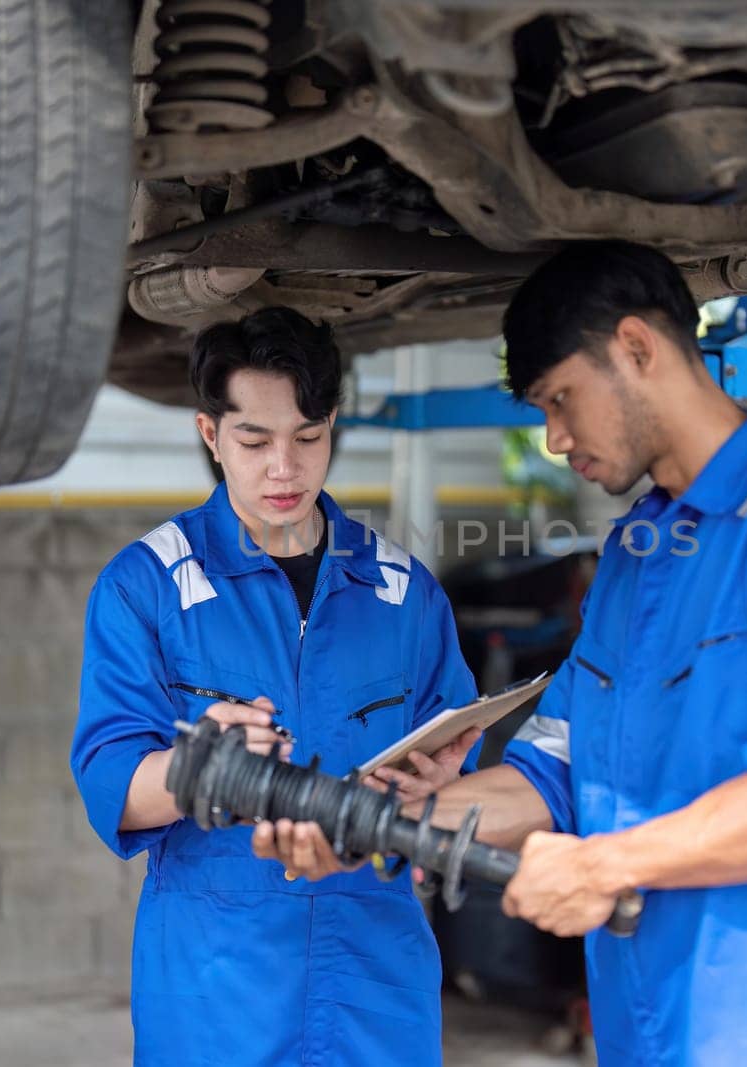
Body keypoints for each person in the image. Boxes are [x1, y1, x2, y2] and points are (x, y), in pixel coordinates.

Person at [257, 242, 747, 1064]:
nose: (554, 439)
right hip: (648, 1027)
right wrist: (371, 821)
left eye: (561, 399)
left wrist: (603, 864)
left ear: (636, 348)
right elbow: (556, 773)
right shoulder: (640, 555)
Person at [71, 307, 481, 1067]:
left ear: (332, 426)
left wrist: (440, 782)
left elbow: (453, 767)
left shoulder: (404, 593)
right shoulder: (146, 586)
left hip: (375, 982)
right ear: (210, 435)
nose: (284, 469)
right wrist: (200, 764)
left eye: (308, 437)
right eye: (255, 441)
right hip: (214, 992)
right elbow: (111, 786)